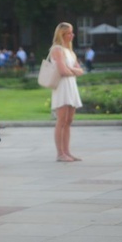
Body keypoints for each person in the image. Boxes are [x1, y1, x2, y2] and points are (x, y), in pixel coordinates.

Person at [49, 22, 85, 162]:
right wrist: (74, 71)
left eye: (72, 32)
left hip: (71, 86)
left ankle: (67, 151)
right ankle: (60, 153)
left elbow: (80, 70)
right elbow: (62, 71)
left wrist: (73, 70)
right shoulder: (57, 49)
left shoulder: (69, 51)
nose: (72, 35)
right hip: (62, 87)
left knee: (69, 120)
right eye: (69, 33)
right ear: (62, 34)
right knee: (61, 120)